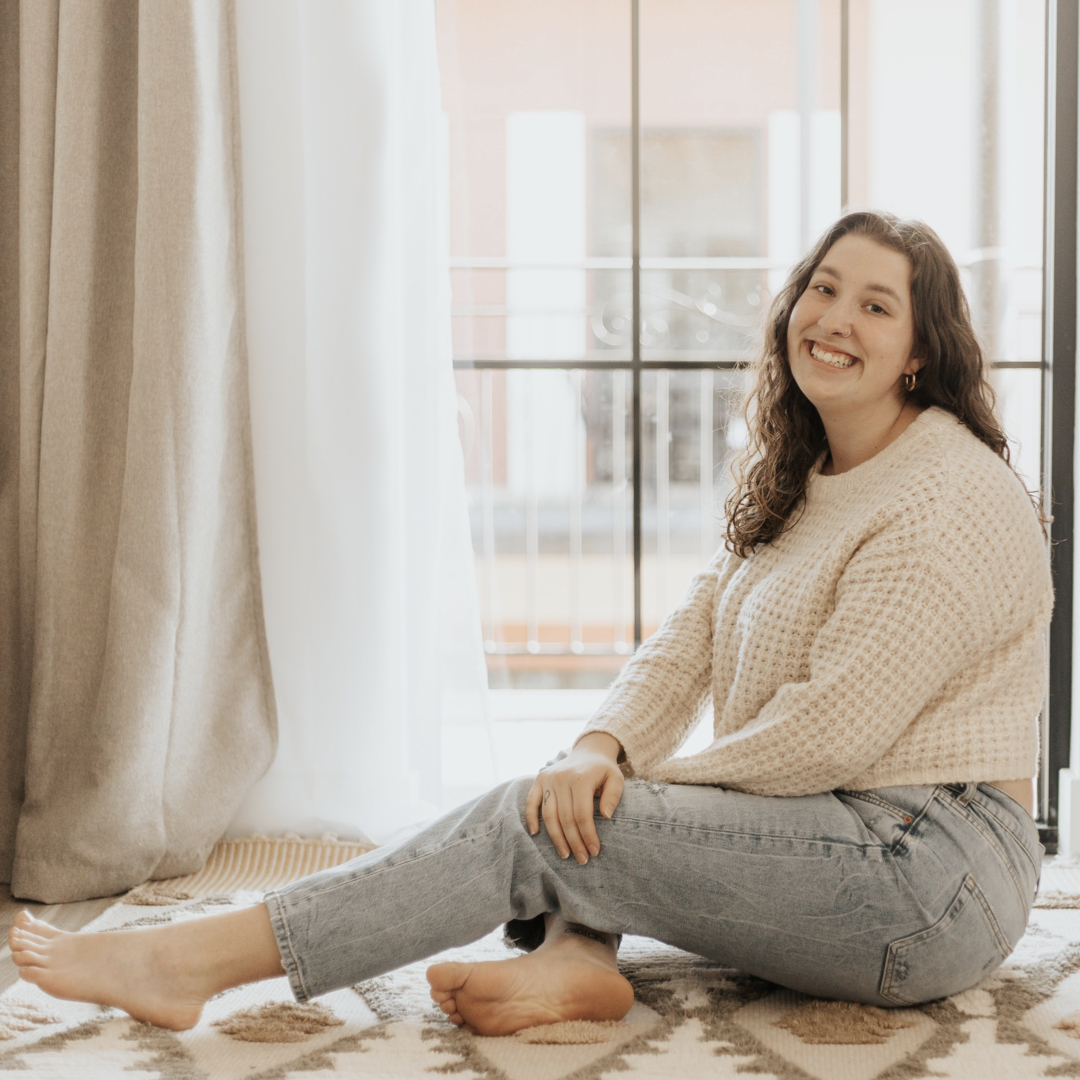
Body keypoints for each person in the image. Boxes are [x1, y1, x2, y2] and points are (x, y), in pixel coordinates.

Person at [8, 211, 1050, 1036]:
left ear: (921, 352)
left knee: (542, 821)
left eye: (877, 306)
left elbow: (830, 733)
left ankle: (187, 965)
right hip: (853, 834)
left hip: (933, 878)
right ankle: (576, 966)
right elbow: (689, 636)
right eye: (824, 288)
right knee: (572, 800)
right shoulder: (810, 469)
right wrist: (598, 746)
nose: (836, 318)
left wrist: (613, 791)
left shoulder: (944, 494)